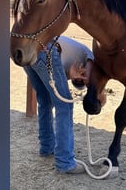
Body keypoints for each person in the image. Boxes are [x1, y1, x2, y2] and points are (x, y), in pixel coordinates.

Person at [23, 35, 95, 174]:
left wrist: (71, 74)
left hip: (32, 49)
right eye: (81, 79)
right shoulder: (89, 56)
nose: (83, 78)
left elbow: (56, 78)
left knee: (45, 101)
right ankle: (65, 162)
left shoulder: (74, 58)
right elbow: (88, 76)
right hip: (49, 50)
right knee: (65, 106)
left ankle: (47, 147)